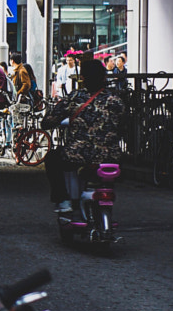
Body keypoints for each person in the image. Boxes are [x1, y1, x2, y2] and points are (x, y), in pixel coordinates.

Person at [41, 56, 126, 216]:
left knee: (52, 157)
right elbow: (123, 127)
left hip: (78, 155)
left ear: (83, 78)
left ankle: (63, 199)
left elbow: (47, 122)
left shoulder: (75, 98)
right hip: (111, 157)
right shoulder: (115, 101)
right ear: (104, 77)